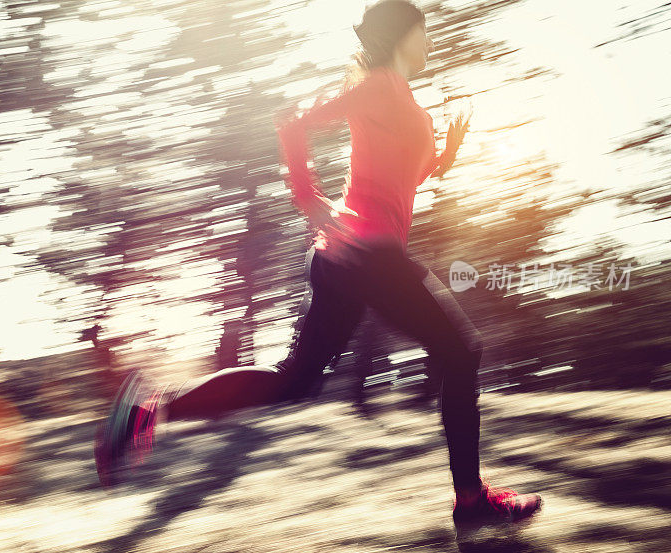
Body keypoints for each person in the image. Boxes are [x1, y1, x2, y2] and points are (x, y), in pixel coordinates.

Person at [94, 0, 542, 535]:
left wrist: (448, 150)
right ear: (402, 34)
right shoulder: (378, 86)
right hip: (368, 253)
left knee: (294, 380)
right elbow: (295, 122)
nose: (429, 42)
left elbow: (407, 179)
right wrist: (308, 196)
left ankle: (146, 412)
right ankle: (471, 501)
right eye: (423, 32)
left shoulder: (403, 100)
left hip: (351, 259)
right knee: (460, 350)